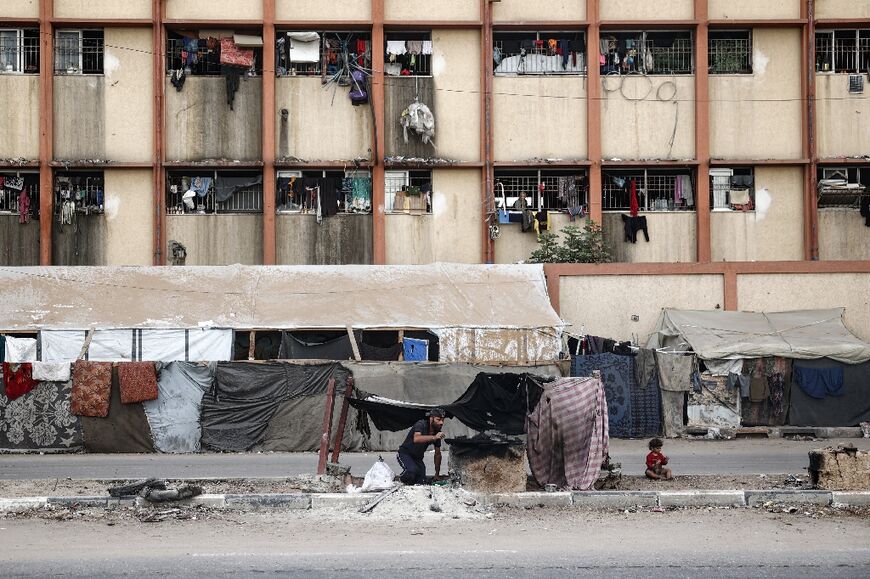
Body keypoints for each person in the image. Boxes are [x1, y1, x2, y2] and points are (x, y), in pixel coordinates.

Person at [397, 408, 446, 485]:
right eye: (438, 419)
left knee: (422, 481)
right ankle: (400, 480)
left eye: (443, 420)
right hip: (405, 454)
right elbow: (416, 439)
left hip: (418, 458)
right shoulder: (421, 424)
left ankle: (410, 485)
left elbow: (437, 454)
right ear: (431, 419)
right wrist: (434, 437)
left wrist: (437, 474)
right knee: (411, 471)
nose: (441, 423)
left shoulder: (437, 433)